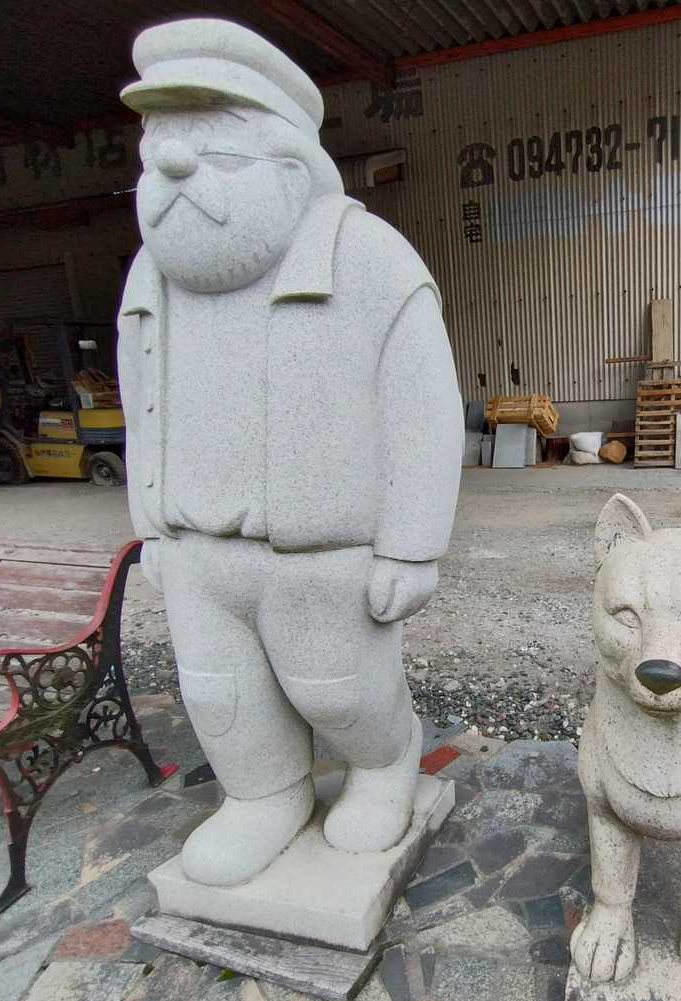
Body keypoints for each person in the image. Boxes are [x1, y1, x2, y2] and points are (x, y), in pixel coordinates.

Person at [116, 19, 463, 887]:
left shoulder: (367, 257)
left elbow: (424, 412)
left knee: (336, 686)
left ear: (293, 169)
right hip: (197, 547)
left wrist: (412, 544)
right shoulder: (149, 276)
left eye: (218, 154)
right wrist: (150, 524)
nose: (176, 172)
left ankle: (383, 764)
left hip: (321, 553)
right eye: (158, 157)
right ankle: (262, 795)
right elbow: (139, 407)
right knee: (218, 690)